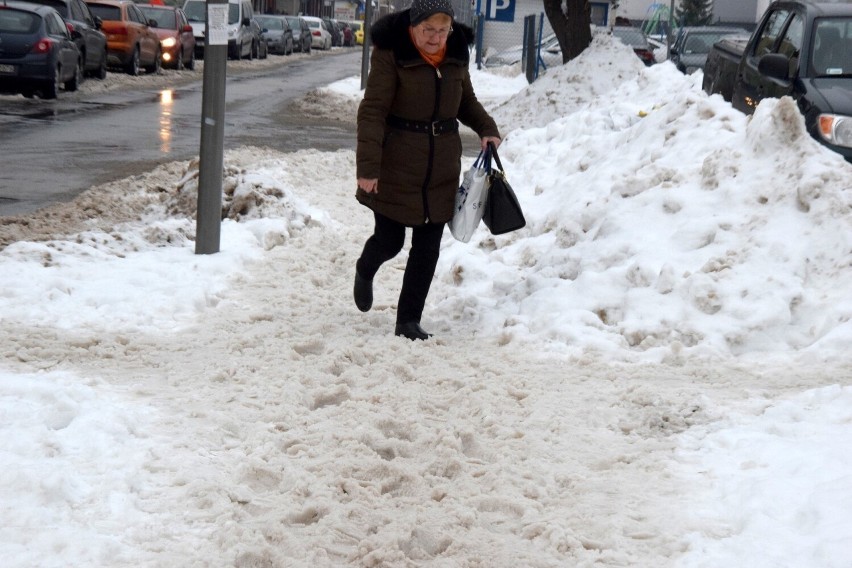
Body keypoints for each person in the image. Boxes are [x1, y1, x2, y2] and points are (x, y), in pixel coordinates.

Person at [353, 0, 502, 340]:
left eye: (443, 30)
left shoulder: (454, 53)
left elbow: (465, 101)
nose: (436, 39)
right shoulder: (392, 53)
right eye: (428, 31)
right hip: (397, 165)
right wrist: (368, 167)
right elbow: (373, 111)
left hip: (441, 167)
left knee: (428, 245)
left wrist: (487, 127)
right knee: (389, 241)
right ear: (413, 27)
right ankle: (365, 268)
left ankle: (408, 320)